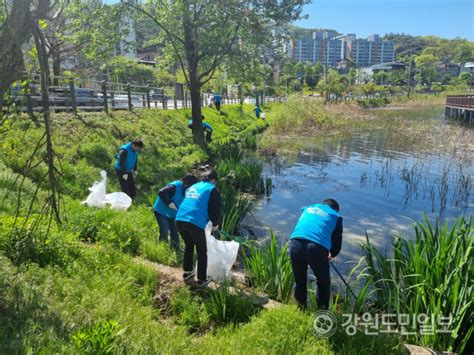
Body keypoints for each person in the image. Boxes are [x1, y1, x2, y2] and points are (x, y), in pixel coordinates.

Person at [289, 198, 343, 310]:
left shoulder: (308, 208)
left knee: (300, 281)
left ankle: (301, 310)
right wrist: (331, 254)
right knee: (323, 283)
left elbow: (310, 227)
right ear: (335, 209)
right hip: (316, 248)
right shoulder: (335, 216)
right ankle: (321, 314)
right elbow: (337, 242)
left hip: (295, 243)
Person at [176, 168, 222, 286]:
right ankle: (201, 279)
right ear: (213, 180)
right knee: (202, 250)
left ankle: (187, 272)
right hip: (194, 222)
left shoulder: (193, 187)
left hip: (180, 219)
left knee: (189, 245)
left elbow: (193, 203)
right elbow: (215, 210)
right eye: (215, 181)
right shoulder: (212, 189)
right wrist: (215, 224)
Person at [152, 173, 199, 250]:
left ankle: (176, 248)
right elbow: (160, 192)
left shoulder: (190, 192)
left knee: (175, 231)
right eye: (189, 185)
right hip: (161, 212)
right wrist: (169, 203)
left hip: (172, 214)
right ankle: (162, 249)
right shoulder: (174, 186)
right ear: (185, 182)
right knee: (164, 231)